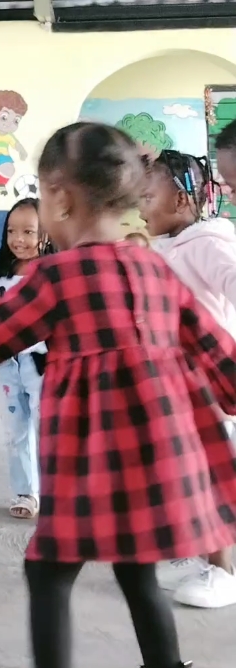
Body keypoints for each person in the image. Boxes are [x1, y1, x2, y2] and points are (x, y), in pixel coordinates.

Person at [0, 121, 236, 668]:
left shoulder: (55, 278)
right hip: (160, 458)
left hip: (93, 458)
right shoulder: (156, 270)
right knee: (136, 570)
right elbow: (217, 352)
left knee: (48, 569)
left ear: (61, 200)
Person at [140, 148, 236, 608]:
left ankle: (223, 571)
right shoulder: (170, 245)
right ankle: (196, 556)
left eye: (148, 197)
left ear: (181, 200)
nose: (140, 207)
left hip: (209, 385)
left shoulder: (206, 243)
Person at [0, 198, 47, 521]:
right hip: (9, 365)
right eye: (12, 231)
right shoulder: (0, 274)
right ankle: (26, 492)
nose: (18, 239)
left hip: (43, 365)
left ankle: (56, 493)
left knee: (47, 429)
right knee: (15, 431)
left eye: (28, 232)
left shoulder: (51, 274)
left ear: (45, 235)